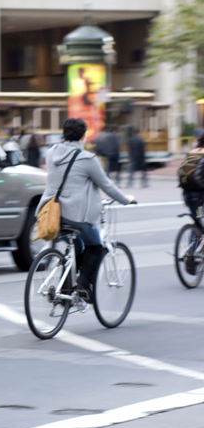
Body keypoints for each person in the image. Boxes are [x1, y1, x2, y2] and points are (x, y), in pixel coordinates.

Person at [37, 118, 134, 302]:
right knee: (96, 247)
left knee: (78, 247)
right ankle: (82, 286)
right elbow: (107, 185)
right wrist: (126, 200)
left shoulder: (51, 153)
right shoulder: (87, 159)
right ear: (83, 136)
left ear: (64, 134)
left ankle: (67, 288)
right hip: (75, 215)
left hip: (51, 214)